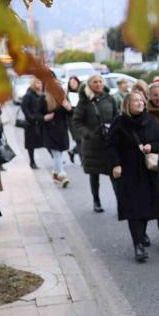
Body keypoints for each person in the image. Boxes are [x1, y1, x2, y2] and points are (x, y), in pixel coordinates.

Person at [107, 90, 159, 261]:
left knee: (151, 207)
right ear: (128, 104)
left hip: (149, 173)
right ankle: (138, 245)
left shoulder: (150, 121)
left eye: (141, 100)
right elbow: (111, 145)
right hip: (129, 172)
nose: (140, 103)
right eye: (136, 101)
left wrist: (151, 147)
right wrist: (116, 164)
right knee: (134, 210)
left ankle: (147, 236)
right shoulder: (119, 123)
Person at [73, 74, 119, 213]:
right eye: (95, 82)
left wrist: (116, 132)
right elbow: (77, 121)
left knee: (114, 172)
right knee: (94, 174)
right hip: (92, 144)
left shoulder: (110, 98)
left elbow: (116, 117)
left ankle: (120, 201)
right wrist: (87, 134)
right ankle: (96, 200)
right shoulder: (84, 101)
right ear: (89, 85)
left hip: (109, 142)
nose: (98, 84)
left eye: (100, 81)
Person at [43, 83, 73, 188]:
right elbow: (36, 114)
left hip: (61, 130)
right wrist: (44, 117)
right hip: (49, 130)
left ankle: (55, 173)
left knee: (59, 153)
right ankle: (62, 175)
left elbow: (71, 114)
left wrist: (69, 108)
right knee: (57, 154)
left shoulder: (63, 100)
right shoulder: (44, 100)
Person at [21, 77, 47, 168]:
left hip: (39, 122)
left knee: (46, 141)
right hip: (30, 123)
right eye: (37, 83)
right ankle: (32, 162)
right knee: (31, 145)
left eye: (40, 83)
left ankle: (55, 156)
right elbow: (24, 107)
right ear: (33, 84)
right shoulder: (28, 95)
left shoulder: (41, 94)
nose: (39, 85)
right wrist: (30, 118)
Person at [66, 76, 82, 163]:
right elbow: (67, 110)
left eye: (75, 82)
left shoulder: (82, 93)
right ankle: (82, 160)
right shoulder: (67, 95)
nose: (73, 84)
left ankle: (72, 152)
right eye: (71, 83)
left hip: (83, 120)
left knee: (84, 139)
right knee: (79, 140)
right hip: (73, 120)